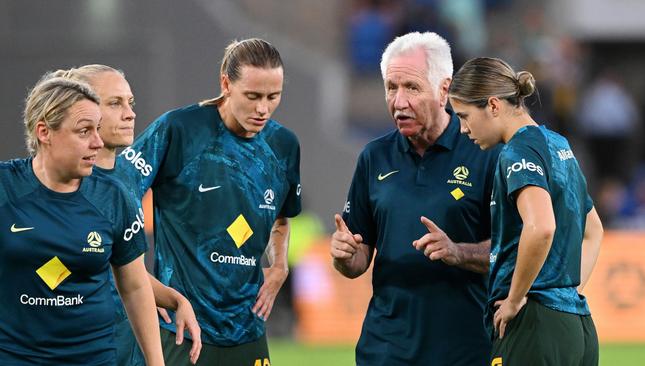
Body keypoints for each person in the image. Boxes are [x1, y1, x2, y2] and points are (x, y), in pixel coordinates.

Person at [113, 38, 301, 365]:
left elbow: (282, 217)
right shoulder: (179, 129)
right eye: (253, 96)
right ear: (226, 84)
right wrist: (140, 280)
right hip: (181, 329)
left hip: (249, 329)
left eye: (274, 97)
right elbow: (118, 190)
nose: (263, 109)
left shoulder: (284, 146)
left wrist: (280, 264)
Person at [330, 31, 500, 365]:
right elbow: (359, 258)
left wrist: (458, 252)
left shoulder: (484, 152)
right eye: (391, 87)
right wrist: (344, 255)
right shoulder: (373, 157)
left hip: (465, 349)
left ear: (444, 89)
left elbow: (510, 250)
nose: (398, 101)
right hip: (385, 348)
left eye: (412, 88)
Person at [448, 56, 603, 366]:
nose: (463, 129)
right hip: (576, 324)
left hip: (535, 327)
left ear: (493, 105)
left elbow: (541, 226)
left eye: (464, 116)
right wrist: (564, 291)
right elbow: (594, 230)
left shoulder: (517, 151)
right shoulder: (559, 145)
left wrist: (516, 299)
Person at [0, 75, 164, 365]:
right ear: (44, 132)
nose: (97, 142)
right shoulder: (5, 188)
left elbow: (135, 287)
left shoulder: (112, 197)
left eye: (98, 130)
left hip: (93, 358)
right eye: (84, 131)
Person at [57, 64, 202, 365]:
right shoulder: (64, 183)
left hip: (127, 349)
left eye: (130, 103)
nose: (130, 113)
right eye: (115, 103)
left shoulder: (127, 177)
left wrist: (173, 299)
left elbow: (123, 268)